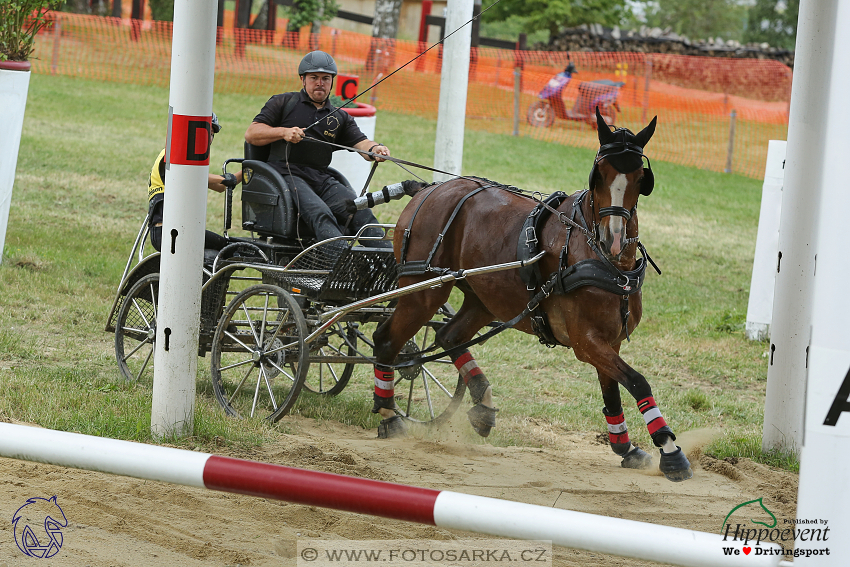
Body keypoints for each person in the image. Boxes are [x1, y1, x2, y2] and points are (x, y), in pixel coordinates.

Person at [244, 50, 390, 245]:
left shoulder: (340, 117)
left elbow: (361, 143)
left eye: (325, 78)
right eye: (314, 77)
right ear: (303, 80)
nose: (320, 82)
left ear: (331, 82)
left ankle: (387, 265)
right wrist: (283, 132)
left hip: (321, 178)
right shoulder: (283, 102)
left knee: (360, 212)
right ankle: (340, 266)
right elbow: (252, 133)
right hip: (285, 176)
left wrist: (375, 150)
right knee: (320, 214)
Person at [147, 112, 241, 252]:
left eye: (212, 135)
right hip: (167, 231)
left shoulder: (187, 161)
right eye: (206, 132)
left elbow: (221, 187)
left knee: (231, 247)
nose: (209, 139)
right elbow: (189, 176)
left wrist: (247, 172)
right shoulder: (173, 154)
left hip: (179, 230)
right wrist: (226, 179)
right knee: (228, 249)